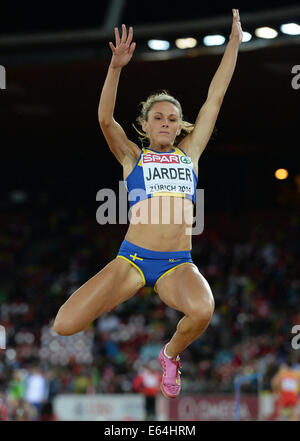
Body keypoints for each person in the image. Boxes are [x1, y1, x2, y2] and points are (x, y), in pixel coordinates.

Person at [54, 9, 243, 399]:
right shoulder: (132, 157)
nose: (165, 123)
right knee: (65, 325)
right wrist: (116, 68)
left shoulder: (190, 155)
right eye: (158, 117)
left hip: (177, 263)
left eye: (173, 119)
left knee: (203, 310)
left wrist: (234, 45)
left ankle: (170, 355)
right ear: (145, 124)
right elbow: (105, 119)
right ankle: (115, 299)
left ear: (179, 126)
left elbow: (216, 96)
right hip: (133, 260)